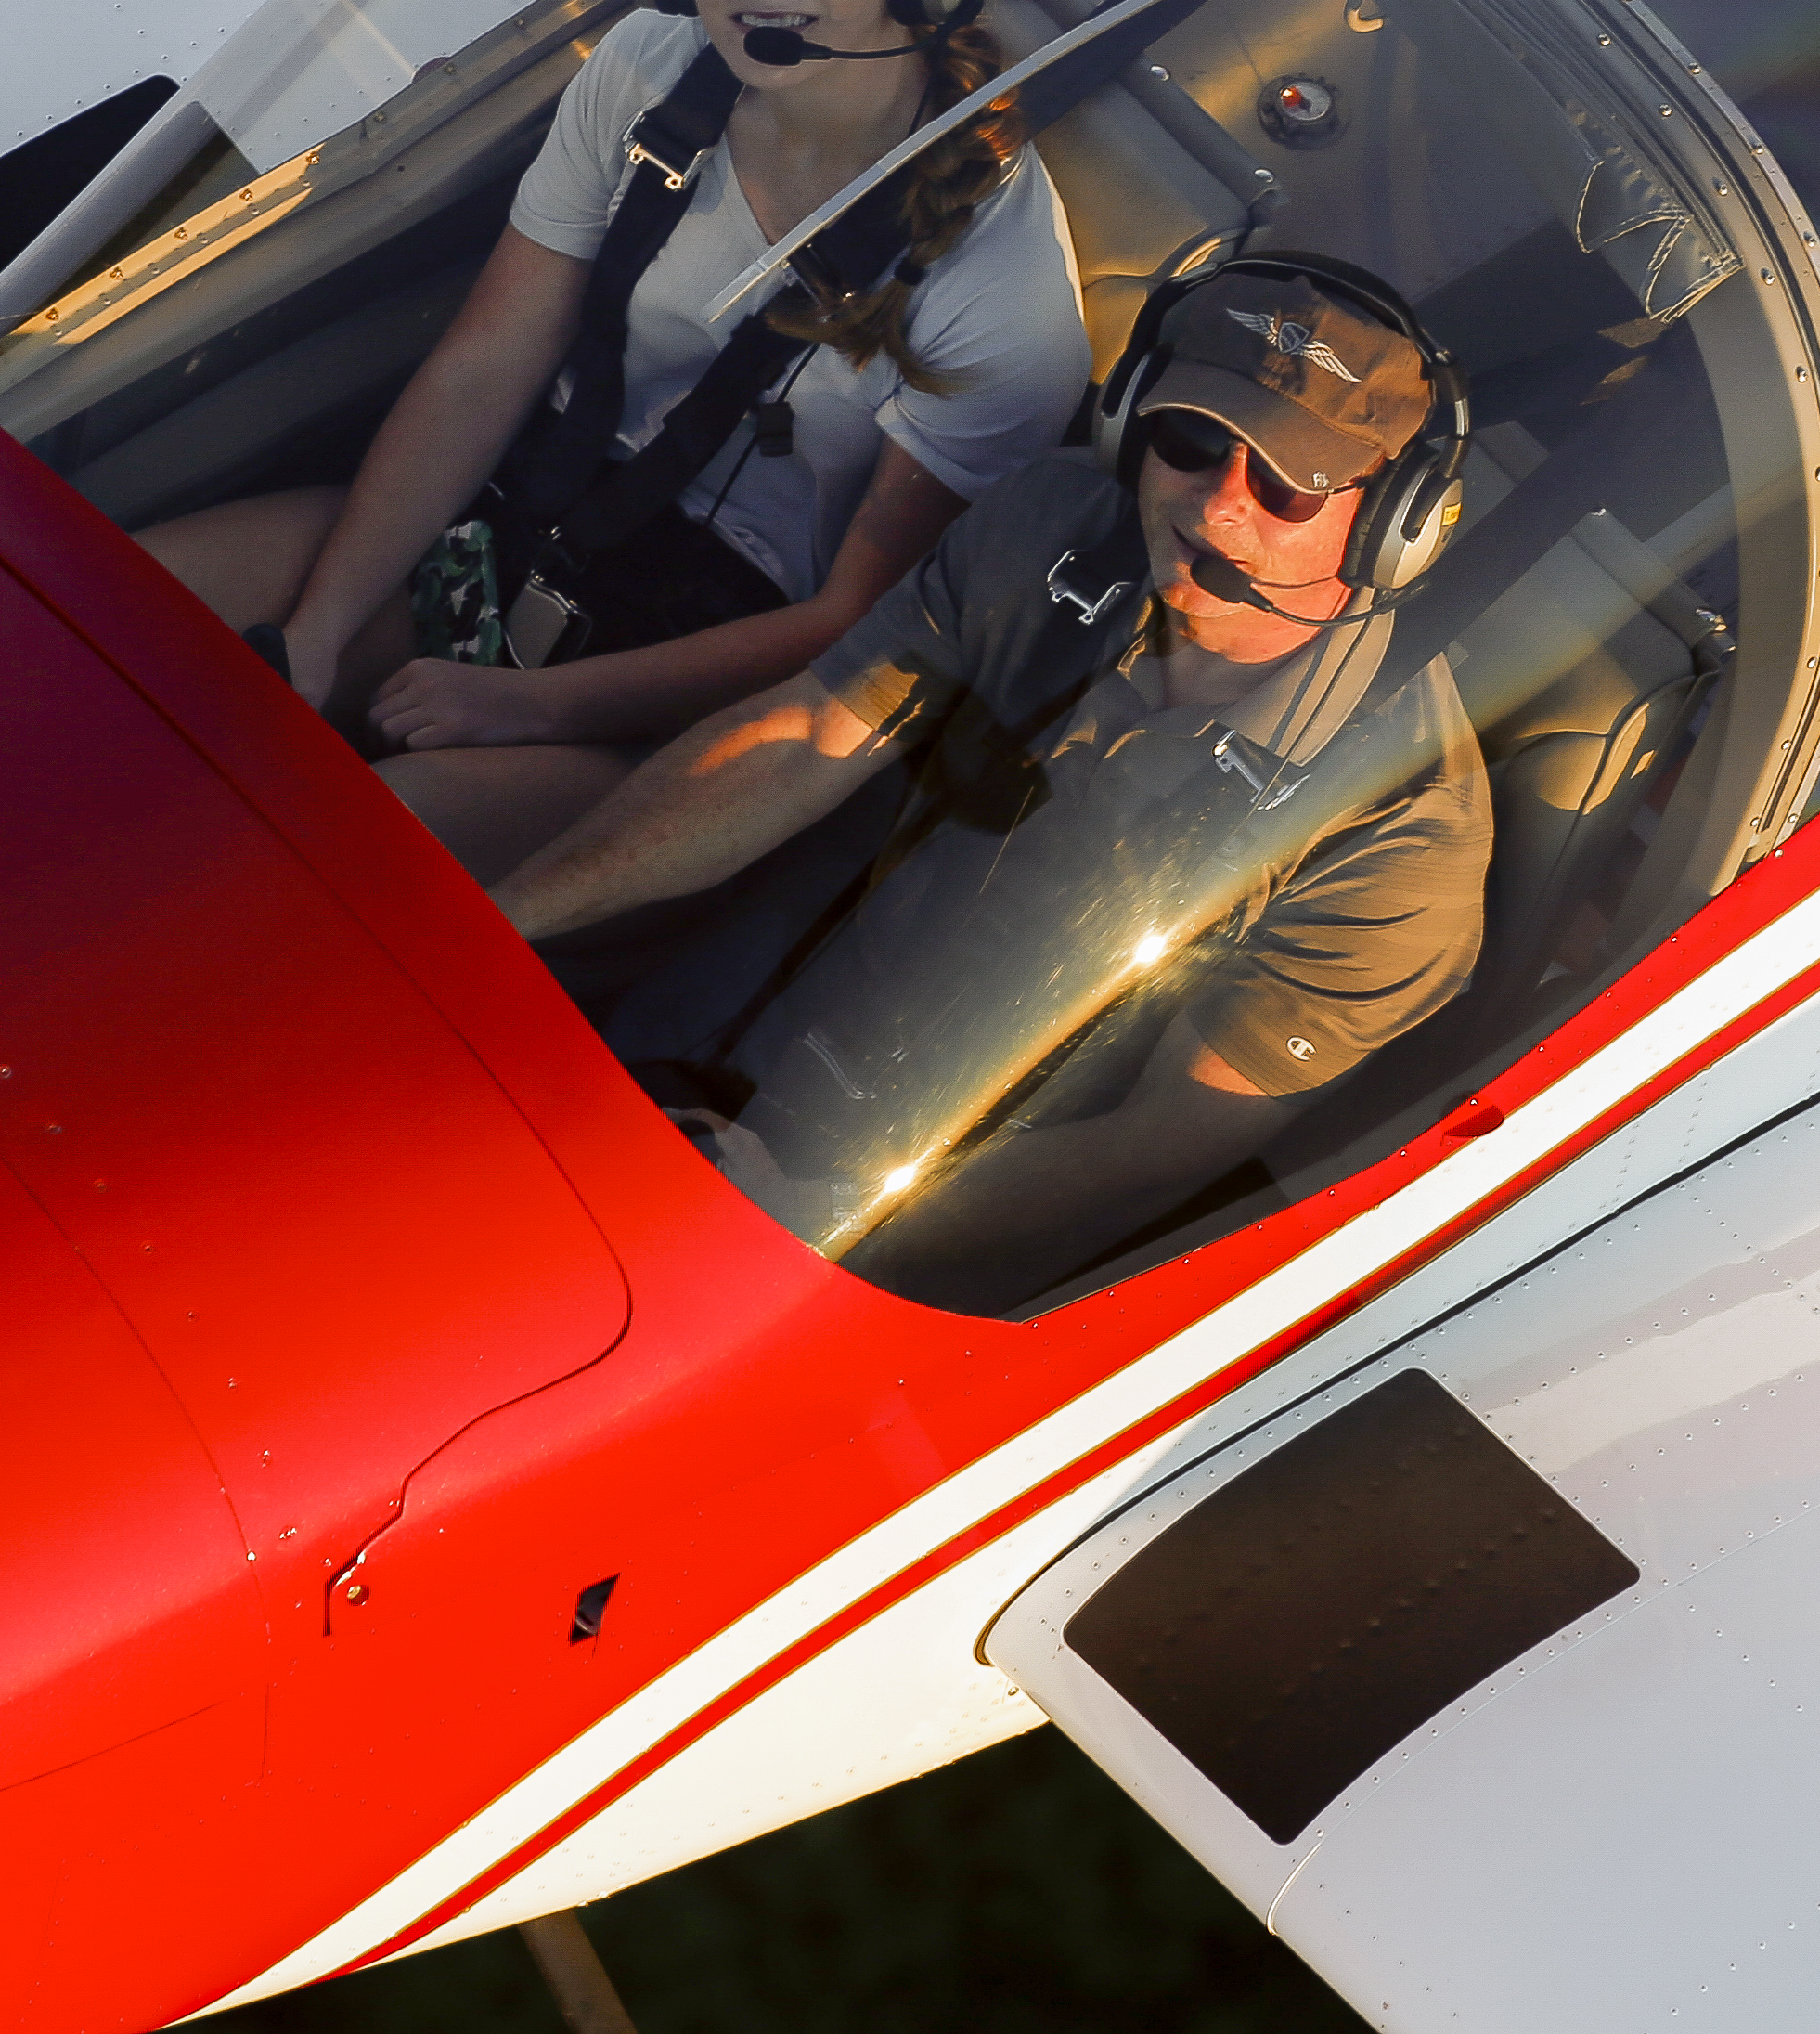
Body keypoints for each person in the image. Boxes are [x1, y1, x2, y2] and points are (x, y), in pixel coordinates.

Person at [144, 0, 1089, 877]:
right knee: (122, 621)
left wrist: (536, 709)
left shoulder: (1006, 289)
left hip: (691, 673)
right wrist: (316, 633)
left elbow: (854, 627)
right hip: (506, 533)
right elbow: (486, 364)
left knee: (344, 866)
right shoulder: (649, 71)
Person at [496, 260, 1492, 1300]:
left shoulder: (1402, 837)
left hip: (888, 1255)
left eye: (1291, 484)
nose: (1220, 505)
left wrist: (821, 1219)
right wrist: (507, 920)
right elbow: (806, 735)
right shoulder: (1054, 525)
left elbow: (1154, 1145)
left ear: (1399, 530)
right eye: (1194, 441)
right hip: (700, 1056)